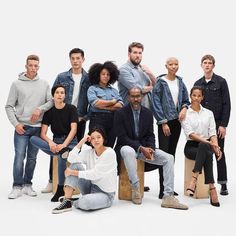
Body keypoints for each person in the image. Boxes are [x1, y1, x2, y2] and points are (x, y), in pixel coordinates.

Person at [114, 87, 188, 210]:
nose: (136, 99)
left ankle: (168, 197)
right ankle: (136, 188)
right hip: (126, 148)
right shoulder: (120, 113)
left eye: (138, 96)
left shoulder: (147, 113)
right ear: (128, 97)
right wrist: (140, 147)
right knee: (128, 151)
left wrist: (151, 149)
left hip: (144, 149)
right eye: (133, 96)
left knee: (169, 158)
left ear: (142, 97)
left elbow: (150, 134)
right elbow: (121, 137)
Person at [41, 48, 90, 194]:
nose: (75, 61)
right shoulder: (62, 76)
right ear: (70, 60)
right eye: (73, 58)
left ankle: (73, 182)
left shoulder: (88, 79)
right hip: (61, 116)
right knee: (56, 146)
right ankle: (52, 180)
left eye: (78, 58)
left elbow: (92, 99)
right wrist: (45, 110)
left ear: (83, 59)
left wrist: (85, 117)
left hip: (79, 119)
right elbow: (53, 96)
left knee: (75, 151)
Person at [5, 55, 51, 199]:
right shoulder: (17, 84)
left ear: (39, 67)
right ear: (26, 66)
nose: (33, 68)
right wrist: (16, 124)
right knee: (19, 156)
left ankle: (27, 185)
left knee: (32, 158)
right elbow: (8, 106)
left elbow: (51, 101)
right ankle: (17, 186)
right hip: (22, 128)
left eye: (36, 65)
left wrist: (39, 109)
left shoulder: (44, 84)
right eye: (30, 65)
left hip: (37, 128)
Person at [118, 42, 157, 189]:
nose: (138, 55)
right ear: (129, 54)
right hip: (127, 113)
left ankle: (138, 179)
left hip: (143, 113)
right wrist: (151, 86)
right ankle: (128, 182)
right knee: (128, 147)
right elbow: (137, 89)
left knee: (142, 147)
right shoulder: (123, 70)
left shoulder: (142, 69)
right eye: (135, 52)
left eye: (140, 53)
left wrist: (151, 74)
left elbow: (155, 85)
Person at [52, 127, 117, 214]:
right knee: (75, 165)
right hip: (90, 188)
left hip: (106, 195)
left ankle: (73, 201)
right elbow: (71, 159)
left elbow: (95, 174)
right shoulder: (89, 152)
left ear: (103, 138)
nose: (96, 140)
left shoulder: (109, 153)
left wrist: (72, 173)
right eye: (93, 138)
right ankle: (67, 200)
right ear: (90, 140)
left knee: (86, 202)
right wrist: (82, 141)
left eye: (98, 137)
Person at [30, 84, 78, 202]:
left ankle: (60, 189)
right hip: (55, 144)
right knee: (32, 139)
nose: (60, 95)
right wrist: (51, 143)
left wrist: (64, 145)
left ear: (65, 95)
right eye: (57, 92)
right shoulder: (49, 112)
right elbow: (43, 134)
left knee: (62, 155)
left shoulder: (71, 109)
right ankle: (60, 151)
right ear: (53, 95)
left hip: (70, 142)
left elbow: (74, 130)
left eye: (62, 93)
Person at [151, 57, 190, 198]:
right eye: (171, 64)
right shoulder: (160, 83)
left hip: (176, 123)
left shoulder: (180, 82)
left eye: (176, 64)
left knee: (172, 155)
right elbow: (156, 104)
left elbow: (186, 100)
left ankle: (169, 188)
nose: (174, 66)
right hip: (165, 123)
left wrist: (184, 108)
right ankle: (162, 190)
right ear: (166, 66)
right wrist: (163, 122)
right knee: (164, 156)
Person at [194, 54, 231, 196]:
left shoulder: (221, 82)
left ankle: (223, 183)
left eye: (210, 63)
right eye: (205, 62)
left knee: (219, 152)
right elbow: (194, 104)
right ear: (201, 65)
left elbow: (227, 104)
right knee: (205, 152)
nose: (207, 65)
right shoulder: (198, 83)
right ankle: (206, 185)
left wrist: (223, 125)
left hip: (217, 125)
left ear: (213, 66)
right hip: (202, 125)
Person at [181, 86, 221, 207]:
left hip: (206, 146)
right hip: (191, 147)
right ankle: (212, 189)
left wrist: (217, 147)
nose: (196, 98)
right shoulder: (185, 114)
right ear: (190, 96)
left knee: (206, 149)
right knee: (205, 148)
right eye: (194, 95)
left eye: (199, 96)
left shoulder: (209, 113)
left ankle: (194, 180)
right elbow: (191, 135)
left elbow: (213, 133)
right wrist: (209, 143)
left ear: (202, 97)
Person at [87, 61, 123, 148]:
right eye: (103, 74)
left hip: (112, 120)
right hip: (97, 119)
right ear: (98, 75)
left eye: (108, 74)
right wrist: (112, 102)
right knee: (97, 146)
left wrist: (105, 106)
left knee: (109, 147)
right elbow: (96, 103)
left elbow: (120, 105)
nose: (106, 76)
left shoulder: (114, 90)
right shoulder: (92, 89)